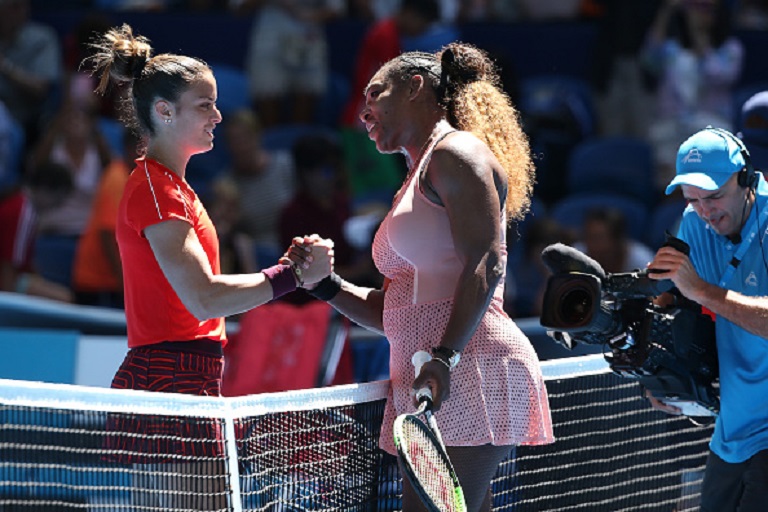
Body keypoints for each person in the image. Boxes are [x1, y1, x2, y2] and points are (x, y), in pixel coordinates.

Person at [294, 43, 554, 511]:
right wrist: (325, 283)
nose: (363, 111)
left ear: (415, 87)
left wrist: (445, 356)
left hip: (468, 368)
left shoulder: (456, 153)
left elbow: (486, 261)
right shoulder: (416, 176)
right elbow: (394, 309)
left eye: (375, 95)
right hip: (432, 376)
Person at [85, 23, 333, 509]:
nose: (218, 116)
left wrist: (286, 267)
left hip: (186, 374)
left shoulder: (171, 189)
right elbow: (203, 297)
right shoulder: (157, 191)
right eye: (205, 105)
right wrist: (292, 277)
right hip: (170, 377)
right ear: (164, 111)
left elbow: (208, 292)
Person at [646, 126, 768, 511]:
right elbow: (671, 305)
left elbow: (696, 291)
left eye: (714, 196)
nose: (705, 211)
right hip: (732, 433)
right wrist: (658, 373)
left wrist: (700, 290)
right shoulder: (693, 223)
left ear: (746, 178)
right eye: (693, 199)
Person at [641, 0, 743, 191]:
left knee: (705, 190)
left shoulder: (731, 49)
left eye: (706, 9)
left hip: (712, 130)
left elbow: (715, 74)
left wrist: (698, 33)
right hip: (669, 130)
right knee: (669, 188)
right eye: (695, 8)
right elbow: (650, 61)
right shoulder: (672, 49)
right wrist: (666, 11)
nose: (700, 14)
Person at [71, 129, 141, 309]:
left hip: (113, 283)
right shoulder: (117, 179)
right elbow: (108, 235)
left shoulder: (137, 178)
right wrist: (126, 287)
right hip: (99, 285)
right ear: (131, 148)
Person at [0, 160, 75, 302]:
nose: (58, 206)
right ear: (46, 190)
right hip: (6, 281)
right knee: (64, 298)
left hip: (15, 276)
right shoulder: (23, 212)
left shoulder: (24, 206)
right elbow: (8, 265)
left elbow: (25, 263)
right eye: (59, 199)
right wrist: (7, 307)